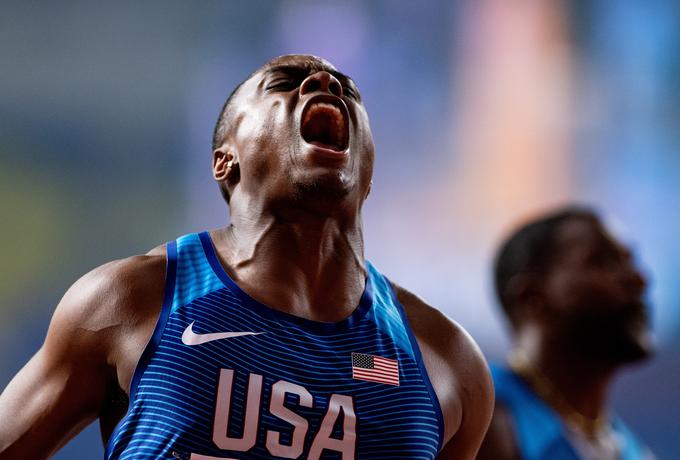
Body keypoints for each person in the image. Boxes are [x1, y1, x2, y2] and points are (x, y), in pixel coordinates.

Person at [0, 54, 493, 459]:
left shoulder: (445, 359)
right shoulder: (128, 300)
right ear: (225, 159)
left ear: (367, 173)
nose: (325, 82)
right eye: (285, 83)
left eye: (347, 89)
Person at [478, 207, 656, 460]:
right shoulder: (477, 421)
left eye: (630, 260)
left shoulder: (633, 450)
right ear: (532, 298)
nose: (639, 279)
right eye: (604, 262)